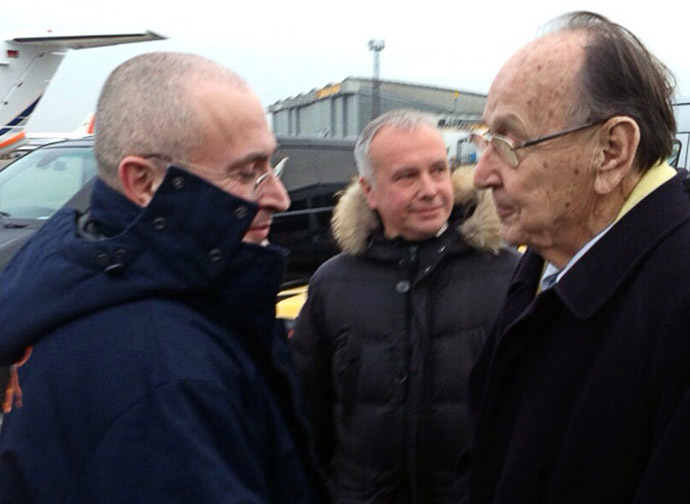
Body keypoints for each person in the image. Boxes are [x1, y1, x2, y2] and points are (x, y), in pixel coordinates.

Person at [0, 52, 329, 503]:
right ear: (144, 181)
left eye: (271, 166)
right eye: (246, 172)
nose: (279, 196)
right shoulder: (167, 375)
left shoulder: (76, 287)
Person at [462, 11, 690, 503]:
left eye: (508, 142)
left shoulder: (676, 301)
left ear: (611, 150)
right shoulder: (548, 258)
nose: (481, 175)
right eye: (484, 140)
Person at [290, 109, 519, 503]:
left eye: (438, 169)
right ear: (369, 189)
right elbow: (307, 419)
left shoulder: (509, 274)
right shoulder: (332, 283)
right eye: (406, 176)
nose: (430, 188)